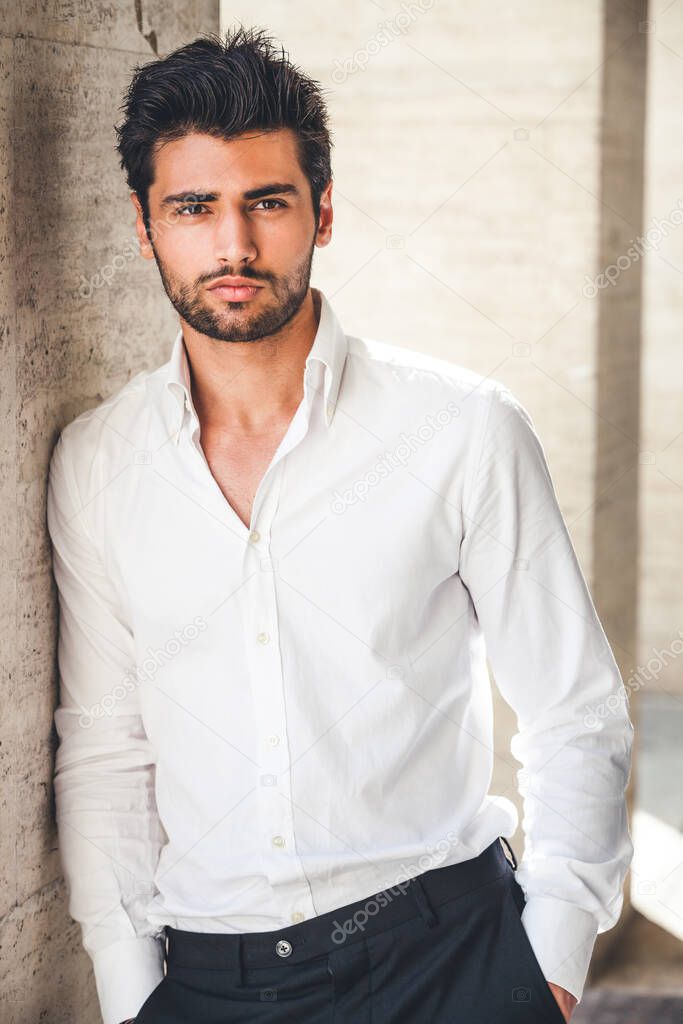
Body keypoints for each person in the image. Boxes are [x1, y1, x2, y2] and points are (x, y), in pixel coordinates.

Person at [46, 25, 634, 1024]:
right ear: (145, 227)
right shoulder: (99, 463)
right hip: (203, 983)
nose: (231, 244)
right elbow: (107, 748)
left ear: (321, 211)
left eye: (264, 203)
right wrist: (128, 994)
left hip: (453, 963)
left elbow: (573, 712)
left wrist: (548, 975)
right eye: (193, 207)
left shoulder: (461, 428)